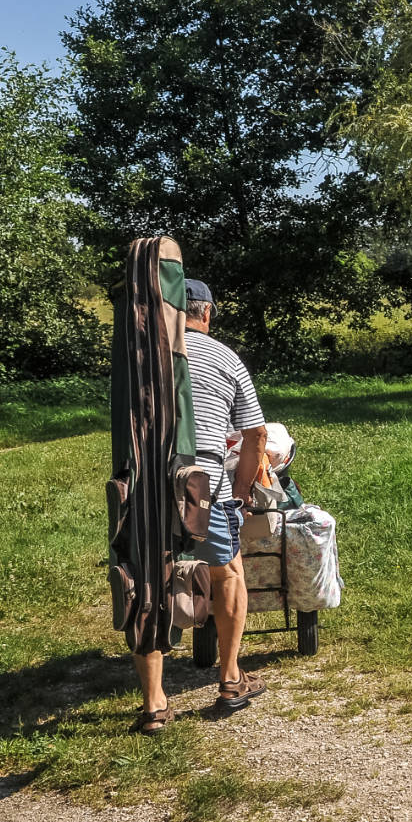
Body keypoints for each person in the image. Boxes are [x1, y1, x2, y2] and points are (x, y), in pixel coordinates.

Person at [133, 278, 270, 730]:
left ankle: (154, 704)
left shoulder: (143, 353)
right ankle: (230, 679)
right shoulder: (226, 357)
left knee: (145, 583)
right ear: (206, 312)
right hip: (205, 485)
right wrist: (245, 490)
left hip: (147, 486)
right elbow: (256, 436)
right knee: (227, 574)